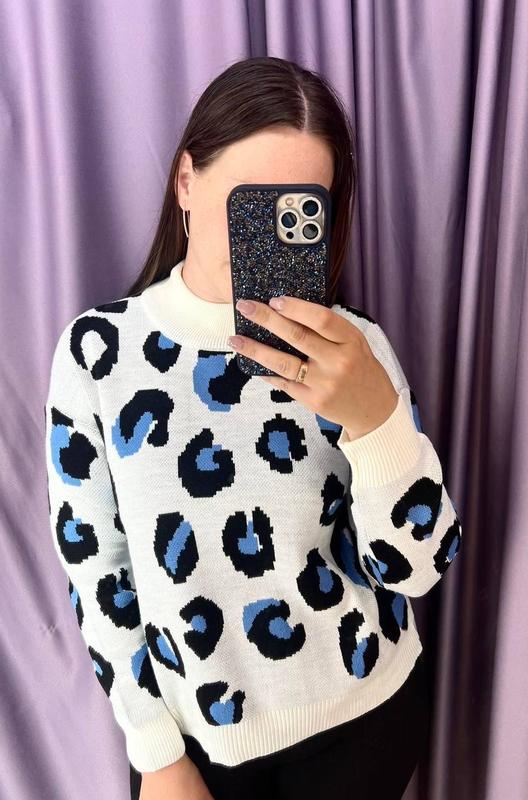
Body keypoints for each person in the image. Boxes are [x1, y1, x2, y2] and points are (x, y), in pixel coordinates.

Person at [44, 56, 461, 800]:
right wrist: (156, 754)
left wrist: (376, 422)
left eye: (297, 209)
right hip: (199, 751)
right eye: (249, 202)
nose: (265, 234)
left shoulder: (354, 351)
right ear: (186, 182)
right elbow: (96, 568)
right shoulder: (99, 355)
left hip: (368, 720)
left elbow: (417, 570)